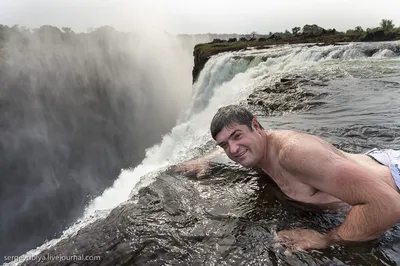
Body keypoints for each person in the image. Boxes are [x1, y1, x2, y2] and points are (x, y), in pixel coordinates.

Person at [177, 104, 400, 252]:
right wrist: (206, 158)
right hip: (375, 160)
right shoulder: (260, 148)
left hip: (393, 179)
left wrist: (327, 239)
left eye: (237, 136)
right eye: (225, 145)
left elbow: (388, 205)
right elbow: (236, 146)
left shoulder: (294, 153)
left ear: (256, 126)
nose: (233, 149)